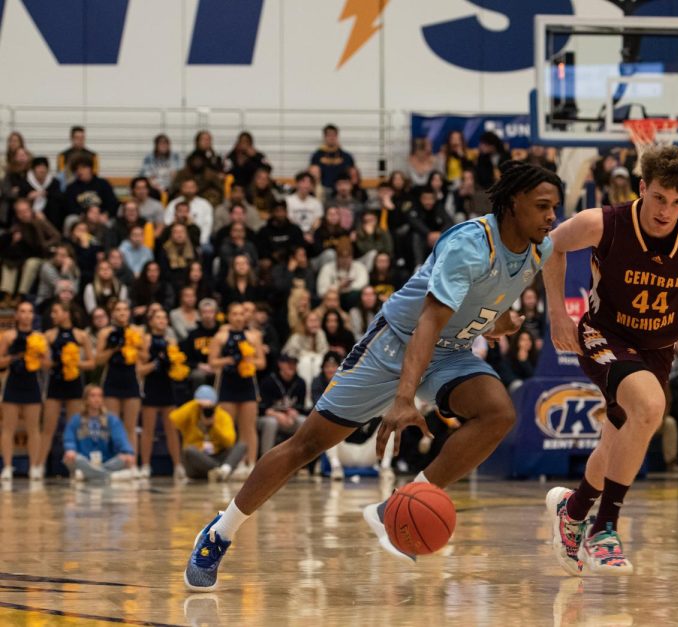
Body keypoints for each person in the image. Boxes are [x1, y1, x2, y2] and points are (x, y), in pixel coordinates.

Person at [183, 161, 560, 590]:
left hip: (450, 352)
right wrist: (404, 399)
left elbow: (487, 296)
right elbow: (428, 322)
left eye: (555, 208)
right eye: (542, 206)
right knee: (306, 444)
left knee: (498, 413)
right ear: (513, 204)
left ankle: (396, 507)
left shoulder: (538, 249)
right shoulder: (469, 245)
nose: (551, 217)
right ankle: (220, 531)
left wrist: (501, 323)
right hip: (396, 343)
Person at [543, 146, 678, 576]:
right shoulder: (605, 221)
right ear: (642, 188)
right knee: (651, 408)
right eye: (659, 198)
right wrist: (558, 312)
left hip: (657, 349)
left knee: (619, 440)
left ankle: (573, 509)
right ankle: (605, 528)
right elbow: (550, 244)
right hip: (605, 334)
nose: (666, 211)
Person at [208, 302, 266, 478]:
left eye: (241, 314)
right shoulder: (220, 337)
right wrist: (229, 360)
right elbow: (212, 362)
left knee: (248, 426)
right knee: (228, 427)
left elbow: (261, 362)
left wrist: (247, 362)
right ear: (228, 316)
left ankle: (251, 463)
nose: (239, 317)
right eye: (235, 314)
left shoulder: (253, 337)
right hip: (228, 385)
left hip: (247, 385)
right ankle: (232, 462)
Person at [37, 301, 94, 479]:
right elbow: (44, 363)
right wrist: (56, 362)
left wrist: (75, 363)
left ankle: (76, 466)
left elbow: (91, 362)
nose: (53, 315)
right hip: (55, 383)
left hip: (74, 384)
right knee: (48, 427)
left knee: (75, 427)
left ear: (66, 313)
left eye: (56, 311)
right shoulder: (49, 335)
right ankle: (38, 466)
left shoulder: (81, 335)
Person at [0, 301, 50, 481]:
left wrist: (36, 355)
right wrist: (15, 355)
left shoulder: (40, 337)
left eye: (30, 312)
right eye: (22, 311)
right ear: (16, 315)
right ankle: (6, 466)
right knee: (8, 427)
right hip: (13, 383)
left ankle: (34, 466)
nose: (26, 315)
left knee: (33, 428)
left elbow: (48, 365)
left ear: (33, 316)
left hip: (32, 384)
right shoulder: (8, 336)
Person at [137, 309, 184, 479]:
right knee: (148, 429)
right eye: (158, 317)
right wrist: (155, 363)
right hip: (151, 386)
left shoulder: (171, 341)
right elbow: (140, 370)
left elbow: (179, 369)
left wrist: (172, 364)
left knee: (172, 428)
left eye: (164, 317)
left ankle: (178, 466)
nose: (162, 320)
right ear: (151, 322)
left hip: (167, 386)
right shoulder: (145, 340)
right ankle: (145, 465)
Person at [95, 300, 143, 453]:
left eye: (125, 309)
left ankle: (131, 463)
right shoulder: (105, 333)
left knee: (130, 427)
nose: (122, 312)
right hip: (112, 379)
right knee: (112, 424)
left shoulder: (137, 332)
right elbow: (98, 361)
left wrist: (132, 346)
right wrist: (114, 347)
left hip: (131, 379)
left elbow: (145, 355)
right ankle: (113, 461)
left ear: (129, 312)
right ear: (113, 313)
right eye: (118, 310)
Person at [171, 385, 246, 482]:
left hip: (217, 455)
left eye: (209, 407)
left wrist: (213, 426)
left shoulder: (222, 416)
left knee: (241, 445)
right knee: (188, 450)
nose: (205, 409)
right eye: (202, 406)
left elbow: (229, 442)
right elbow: (173, 420)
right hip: (198, 461)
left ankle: (223, 470)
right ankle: (221, 471)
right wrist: (195, 404)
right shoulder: (191, 411)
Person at [62, 385, 135, 482]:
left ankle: (87, 475)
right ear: (86, 399)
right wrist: (70, 449)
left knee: (124, 459)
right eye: (93, 396)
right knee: (72, 459)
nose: (97, 399)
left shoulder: (111, 419)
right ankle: (108, 476)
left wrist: (127, 452)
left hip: (106, 461)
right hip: (85, 460)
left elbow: (121, 438)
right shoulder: (76, 419)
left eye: (100, 396)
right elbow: (69, 438)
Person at [258, 354, 307, 457]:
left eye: (294, 363)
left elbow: (301, 407)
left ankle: (299, 461)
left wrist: (294, 412)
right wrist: (276, 414)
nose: (291, 366)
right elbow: (261, 408)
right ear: (280, 364)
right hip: (269, 417)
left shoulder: (300, 382)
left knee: (303, 421)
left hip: (289, 419)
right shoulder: (269, 381)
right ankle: (265, 459)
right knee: (271, 423)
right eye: (288, 363)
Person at [20, 156, 65, 231]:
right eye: (39, 168)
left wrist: (46, 194)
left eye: (44, 168)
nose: (42, 170)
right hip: (31, 211)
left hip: (49, 213)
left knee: (55, 205)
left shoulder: (54, 182)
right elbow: (19, 199)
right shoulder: (25, 182)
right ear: (33, 170)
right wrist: (29, 197)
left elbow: (60, 197)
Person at [165, 180, 214, 247]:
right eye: (186, 187)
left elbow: (207, 225)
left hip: (198, 238)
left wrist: (201, 241)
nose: (189, 190)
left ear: (197, 188)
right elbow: (167, 222)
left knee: (207, 250)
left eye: (191, 187)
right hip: (174, 238)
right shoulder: (173, 203)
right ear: (181, 188)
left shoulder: (205, 204)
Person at [310, 124, 355, 191]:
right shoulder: (317, 156)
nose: (331, 138)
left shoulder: (346, 156)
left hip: (341, 191)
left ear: (337, 136)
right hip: (322, 190)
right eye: (329, 135)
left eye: (334, 135)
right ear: (324, 137)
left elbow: (352, 176)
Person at [286, 171, 323, 236]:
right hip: (293, 234)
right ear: (297, 183)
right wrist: (300, 234)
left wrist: (309, 233)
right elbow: (289, 220)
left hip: (311, 234)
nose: (306, 185)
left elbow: (317, 221)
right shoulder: (288, 201)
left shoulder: (316, 202)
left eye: (309, 182)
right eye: (303, 182)